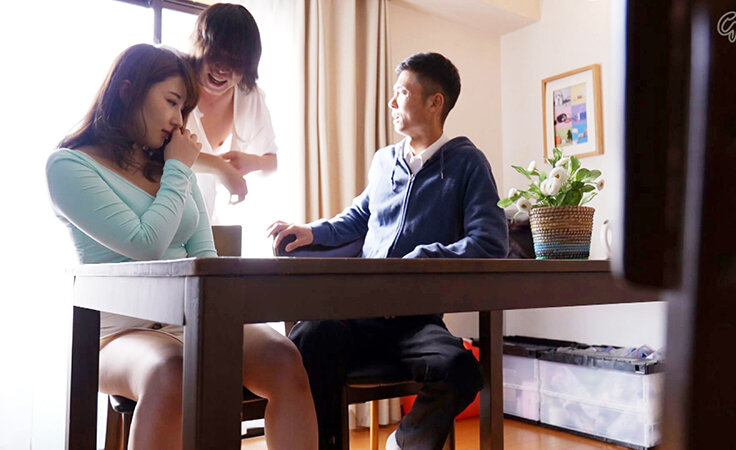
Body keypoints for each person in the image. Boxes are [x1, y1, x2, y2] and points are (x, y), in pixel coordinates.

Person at [46, 44, 316, 450]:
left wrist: (176, 169)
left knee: (284, 357)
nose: (178, 120)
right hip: (117, 335)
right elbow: (145, 244)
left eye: (184, 109)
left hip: (190, 321)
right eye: (172, 102)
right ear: (128, 91)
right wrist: (177, 167)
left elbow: (205, 258)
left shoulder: (174, 170)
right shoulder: (69, 165)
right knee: (171, 371)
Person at [268, 52, 509, 450]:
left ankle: (404, 443)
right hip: (358, 312)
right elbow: (359, 217)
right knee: (309, 338)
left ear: (435, 102)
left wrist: (420, 260)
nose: (392, 102)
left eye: (402, 93)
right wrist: (311, 231)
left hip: (416, 319)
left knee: (462, 370)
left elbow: (490, 242)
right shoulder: (384, 161)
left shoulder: (468, 163)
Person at [185, 3, 279, 220]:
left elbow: (273, 162)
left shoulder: (249, 96)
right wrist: (220, 167)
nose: (222, 69)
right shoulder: (172, 76)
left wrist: (253, 162)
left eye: (234, 62)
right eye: (216, 56)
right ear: (199, 46)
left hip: (204, 218)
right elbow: (157, 152)